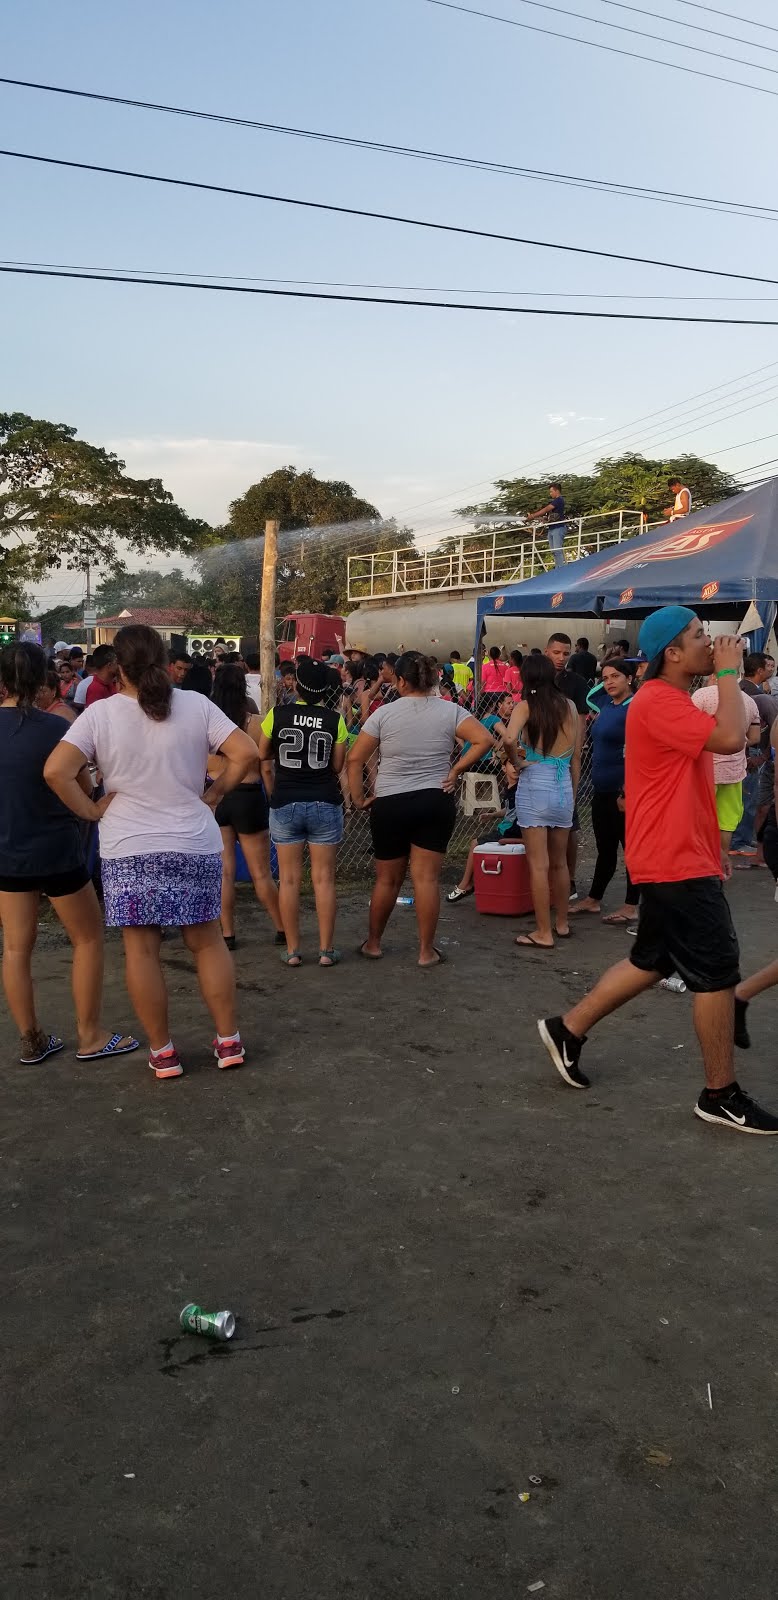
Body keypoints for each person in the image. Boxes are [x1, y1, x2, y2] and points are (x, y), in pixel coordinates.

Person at [537, 605, 778, 1135]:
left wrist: (711, 848)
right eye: (698, 635)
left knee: (653, 959)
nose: (709, 641)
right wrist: (729, 671)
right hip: (673, 860)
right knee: (717, 971)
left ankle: (567, 1029)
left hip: (676, 854)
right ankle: (720, 1094)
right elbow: (732, 738)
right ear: (672, 652)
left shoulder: (667, 699)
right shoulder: (661, 700)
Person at [45, 624, 257, 1080]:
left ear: (117, 668)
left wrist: (91, 810)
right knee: (207, 942)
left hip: (128, 846)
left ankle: (163, 1052)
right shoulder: (196, 705)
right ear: (163, 660)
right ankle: (228, 1041)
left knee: (142, 951)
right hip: (193, 840)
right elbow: (246, 753)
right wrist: (214, 793)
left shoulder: (100, 715)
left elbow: (56, 771)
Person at [0, 641, 137, 1065]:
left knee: (16, 947)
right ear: (44, 679)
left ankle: (31, 1038)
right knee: (88, 937)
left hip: (7, 850)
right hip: (57, 849)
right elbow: (84, 785)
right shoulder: (55, 728)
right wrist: (94, 808)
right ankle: (90, 1035)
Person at [348, 652, 493, 966]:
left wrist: (359, 799)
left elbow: (355, 758)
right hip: (434, 799)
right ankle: (426, 951)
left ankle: (373, 944)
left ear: (401, 681)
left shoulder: (384, 714)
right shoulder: (451, 710)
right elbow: (484, 740)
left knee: (387, 880)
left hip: (391, 802)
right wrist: (456, 770)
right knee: (426, 879)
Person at [258, 657, 349, 968]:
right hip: (324, 800)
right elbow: (337, 765)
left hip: (285, 800)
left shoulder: (277, 714)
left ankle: (293, 950)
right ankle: (326, 950)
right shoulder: (335, 719)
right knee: (324, 880)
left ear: (296, 685)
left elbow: (262, 752)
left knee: (289, 880)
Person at [503, 655, 582, 950]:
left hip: (535, 783)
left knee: (539, 865)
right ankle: (562, 923)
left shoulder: (526, 706)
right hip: (563, 786)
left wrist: (516, 762)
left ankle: (543, 932)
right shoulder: (570, 706)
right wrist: (572, 792)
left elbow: (509, 739)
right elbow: (576, 757)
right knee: (559, 863)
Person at [209, 664, 285, 950]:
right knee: (261, 873)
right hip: (249, 795)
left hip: (217, 795)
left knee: (225, 873)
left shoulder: (207, 722)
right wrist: (272, 797)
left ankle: (227, 933)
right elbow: (266, 767)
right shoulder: (257, 723)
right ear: (243, 687)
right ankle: (282, 928)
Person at [569, 660, 639, 925]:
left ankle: (631, 905)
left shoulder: (636, 707)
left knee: (631, 850)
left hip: (624, 792)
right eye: (605, 677)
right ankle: (593, 899)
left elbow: (639, 753)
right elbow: (591, 695)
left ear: (629, 678)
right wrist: (611, 679)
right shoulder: (607, 705)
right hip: (601, 790)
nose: (609, 682)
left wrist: (627, 791)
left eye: (616, 676)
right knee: (605, 849)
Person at [691, 672, 761, 860]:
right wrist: (735, 742)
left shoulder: (701, 695)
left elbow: (689, 730)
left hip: (703, 771)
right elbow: (755, 737)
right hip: (733, 772)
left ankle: (700, 862)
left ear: (713, 676)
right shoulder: (748, 701)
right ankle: (720, 860)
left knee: (699, 820)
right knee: (726, 822)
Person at [447, 759, 521, 901]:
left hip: (511, 831)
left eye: (519, 763)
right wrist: (492, 815)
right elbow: (510, 810)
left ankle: (466, 884)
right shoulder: (510, 787)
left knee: (475, 843)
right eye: (512, 764)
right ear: (503, 768)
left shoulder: (520, 788)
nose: (516, 767)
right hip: (507, 828)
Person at [728, 651, 778, 858]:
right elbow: (770, 728)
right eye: (769, 666)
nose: (772, 669)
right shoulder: (758, 696)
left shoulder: (737, 690)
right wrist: (762, 756)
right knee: (749, 800)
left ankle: (741, 839)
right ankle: (740, 841)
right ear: (759, 670)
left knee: (741, 799)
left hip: (737, 750)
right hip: (752, 751)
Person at [530, 482, 567, 570]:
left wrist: (533, 516)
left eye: (551, 491)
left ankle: (561, 568)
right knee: (554, 551)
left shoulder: (559, 500)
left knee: (557, 550)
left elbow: (545, 509)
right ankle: (558, 567)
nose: (550, 494)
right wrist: (537, 518)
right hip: (552, 528)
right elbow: (549, 517)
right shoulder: (555, 502)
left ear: (557, 491)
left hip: (558, 528)